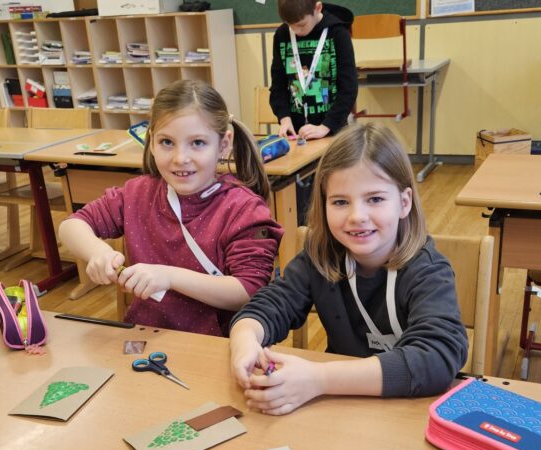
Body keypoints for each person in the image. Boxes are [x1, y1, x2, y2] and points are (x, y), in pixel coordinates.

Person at [230, 123, 468, 415]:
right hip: (340, 409)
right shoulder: (320, 257)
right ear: (324, 205)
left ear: (404, 203)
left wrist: (320, 379)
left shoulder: (428, 271)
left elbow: (437, 358)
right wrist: (244, 339)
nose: (357, 216)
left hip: (407, 412)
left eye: (375, 199)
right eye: (341, 202)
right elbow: (270, 305)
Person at [59, 79, 283, 337]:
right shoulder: (137, 193)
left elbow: (249, 291)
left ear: (223, 145)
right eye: (167, 142)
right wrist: (98, 251)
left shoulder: (243, 209)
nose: (180, 158)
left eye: (197, 143)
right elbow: (71, 226)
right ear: (152, 141)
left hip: (219, 345)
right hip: (147, 337)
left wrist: (169, 277)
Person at [270, 0, 357, 142]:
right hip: (296, 134)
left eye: (301, 25)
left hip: (333, 133)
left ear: (318, 8)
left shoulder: (338, 33)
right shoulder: (282, 35)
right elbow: (277, 86)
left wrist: (325, 127)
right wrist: (284, 119)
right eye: (290, 25)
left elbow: (349, 88)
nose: (296, 31)